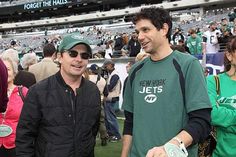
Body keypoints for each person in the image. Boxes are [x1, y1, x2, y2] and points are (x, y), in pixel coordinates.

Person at [121, 7, 212, 157]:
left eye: (145, 30)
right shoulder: (135, 71)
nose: (139, 37)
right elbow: (130, 122)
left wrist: (169, 148)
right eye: (138, 32)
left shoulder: (188, 65)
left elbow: (201, 121)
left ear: (164, 29)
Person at [16, 33, 101, 157]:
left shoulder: (93, 91)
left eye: (84, 55)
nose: (79, 59)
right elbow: (24, 138)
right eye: (73, 53)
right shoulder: (38, 92)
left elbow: (92, 130)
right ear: (60, 57)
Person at [207, 36, 236, 157]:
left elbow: (219, 115)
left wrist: (226, 120)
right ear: (229, 55)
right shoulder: (213, 81)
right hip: (219, 153)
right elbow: (212, 114)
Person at [0, 56, 28, 157]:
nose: (4, 72)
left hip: (16, 145)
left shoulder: (23, 92)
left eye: (7, 69)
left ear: (14, 72)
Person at [88, 64, 109, 146]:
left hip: (88, 103)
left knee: (88, 122)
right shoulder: (103, 80)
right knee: (101, 121)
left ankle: (90, 139)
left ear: (90, 70)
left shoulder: (87, 78)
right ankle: (104, 137)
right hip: (99, 102)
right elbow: (106, 94)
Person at [103, 59, 122, 142]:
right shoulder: (111, 74)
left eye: (106, 66)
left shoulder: (115, 75)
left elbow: (110, 87)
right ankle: (111, 134)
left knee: (111, 118)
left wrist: (103, 85)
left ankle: (117, 135)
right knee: (108, 117)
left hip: (111, 98)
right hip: (110, 98)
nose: (105, 68)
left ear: (111, 65)